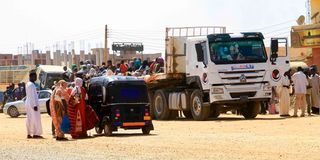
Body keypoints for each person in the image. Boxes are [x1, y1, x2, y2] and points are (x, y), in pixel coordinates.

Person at [25, 70, 43, 138]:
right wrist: (34, 105)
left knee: (29, 118)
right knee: (35, 118)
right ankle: (36, 134)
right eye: (35, 76)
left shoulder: (28, 84)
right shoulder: (31, 85)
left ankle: (29, 133)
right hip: (32, 104)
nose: (36, 78)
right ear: (31, 76)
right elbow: (32, 96)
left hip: (29, 103)